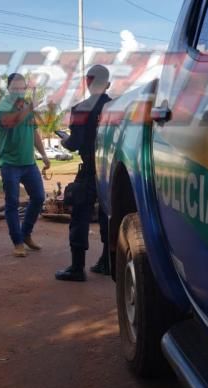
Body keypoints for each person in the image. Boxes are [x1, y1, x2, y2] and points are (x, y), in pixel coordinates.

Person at [55, 65, 113, 282]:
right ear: (107, 84)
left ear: (88, 83)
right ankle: (107, 262)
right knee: (109, 215)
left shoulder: (81, 108)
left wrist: (64, 140)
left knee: (80, 214)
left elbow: (75, 143)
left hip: (89, 169)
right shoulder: (116, 107)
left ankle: (77, 268)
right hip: (111, 170)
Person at [0, 73, 50, 257]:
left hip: (29, 163)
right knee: (12, 203)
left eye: (22, 88)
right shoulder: (2, 107)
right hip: (9, 163)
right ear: (8, 89)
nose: (19, 91)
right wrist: (31, 107)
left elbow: (34, 133)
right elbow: (13, 121)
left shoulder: (27, 107)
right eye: (15, 88)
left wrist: (44, 155)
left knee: (39, 198)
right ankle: (17, 242)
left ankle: (26, 234)